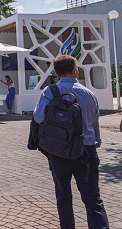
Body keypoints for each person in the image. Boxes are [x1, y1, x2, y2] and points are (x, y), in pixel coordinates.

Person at [33, 55, 109, 229]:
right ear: (76, 71)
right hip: (86, 151)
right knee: (92, 199)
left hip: (58, 151)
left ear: (56, 73)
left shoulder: (49, 92)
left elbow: (38, 118)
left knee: (63, 196)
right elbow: (94, 124)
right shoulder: (90, 94)